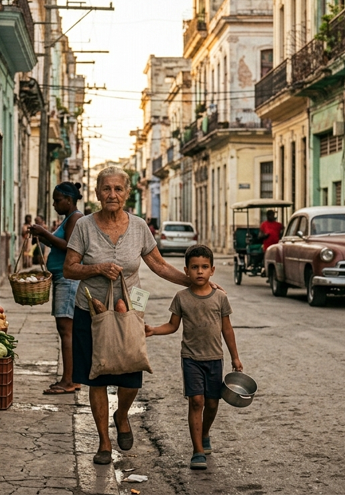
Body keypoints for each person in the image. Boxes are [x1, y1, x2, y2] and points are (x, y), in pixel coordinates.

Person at [63, 166, 221, 466]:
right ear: (97, 193)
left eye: (118, 189)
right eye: (106, 189)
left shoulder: (138, 227)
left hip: (130, 313)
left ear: (127, 193)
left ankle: (121, 415)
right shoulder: (84, 226)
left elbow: (159, 265)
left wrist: (198, 282)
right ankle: (104, 441)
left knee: (131, 379)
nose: (112, 194)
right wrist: (97, 268)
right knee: (96, 379)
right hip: (92, 312)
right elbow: (69, 268)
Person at [144, 245, 242, 470]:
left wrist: (235, 357)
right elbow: (172, 325)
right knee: (196, 402)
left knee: (212, 403)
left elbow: (227, 330)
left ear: (212, 270)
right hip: (191, 358)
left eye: (204, 267)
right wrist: (153, 330)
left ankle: (205, 432)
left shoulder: (220, 298)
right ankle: (197, 451)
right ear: (186, 271)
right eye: (195, 267)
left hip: (215, 358)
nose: (200, 272)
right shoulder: (181, 297)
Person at [29, 183, 85, 395]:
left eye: (57, 200)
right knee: (66, 330)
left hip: (68, 280)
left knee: (66, 330)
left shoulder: (75, 218)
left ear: (69, 200)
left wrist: (44, 232)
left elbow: (69, 246)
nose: (54, 204)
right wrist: (42, 236)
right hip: (63, 279)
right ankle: (72, 378)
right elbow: (58, 244)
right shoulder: (69, 219)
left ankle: (69, 380)